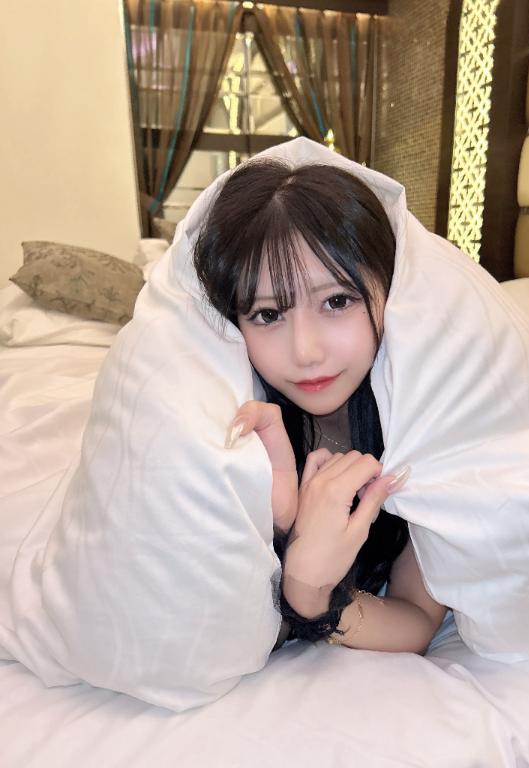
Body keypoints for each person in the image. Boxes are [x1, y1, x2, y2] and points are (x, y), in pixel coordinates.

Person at [194, 159, 447, 653]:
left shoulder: (422, 419)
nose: (306, 351)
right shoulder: (236, 417)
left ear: (391, 290)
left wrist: (311, 595)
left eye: (336, 301)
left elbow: (417, 619)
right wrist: (279, 534)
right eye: (268, 313)